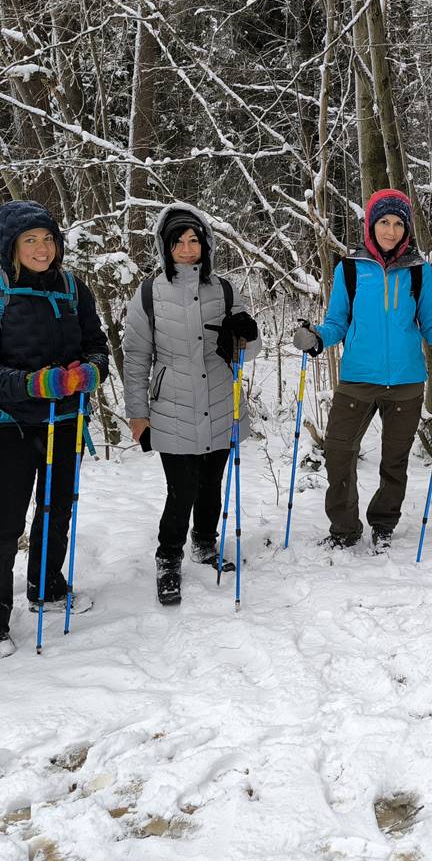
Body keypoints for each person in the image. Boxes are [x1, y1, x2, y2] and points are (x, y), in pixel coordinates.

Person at [0, 200, 109, 654]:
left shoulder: (72, 289)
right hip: (13, 425)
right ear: (12, 247)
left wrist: (91, 372)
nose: (42, 249)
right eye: (31, 241)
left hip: (66, 423)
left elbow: (96, 344)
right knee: (5, 524)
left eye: (48, 239)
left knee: (56, 509)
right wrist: (33, 384)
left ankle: (47, 587)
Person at [291, 189, 432, 549]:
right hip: (357, 379)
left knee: (394, 460)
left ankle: (384, 523)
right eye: (383, 222)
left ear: (406, 229)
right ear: (371, 225)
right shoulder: (350, 269)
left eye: (397, 223)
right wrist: (316, 338)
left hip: (407, 382)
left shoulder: (419, 271)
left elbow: (431, 323)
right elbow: (336, 322)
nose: (390, 230)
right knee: (338, 451)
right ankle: (345, 529)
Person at [121, 204, 261, 605]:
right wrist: (138, 414)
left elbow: (249, 351)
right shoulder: (149, 293)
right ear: (166, 247)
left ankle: (205, 542)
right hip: (172, 404)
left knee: (211, 484)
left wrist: (245, 336)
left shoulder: (225, 289)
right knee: (181, 488)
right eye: (178, 241)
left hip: (219, 399)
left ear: (206, 245)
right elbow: (136, 358)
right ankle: (168, 558)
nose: (187, 248)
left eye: (194, 240)